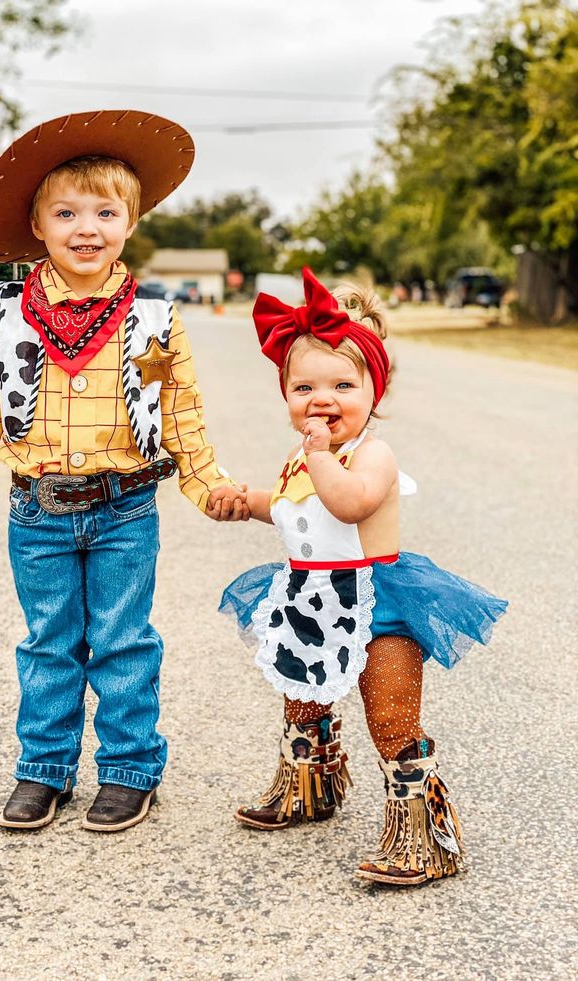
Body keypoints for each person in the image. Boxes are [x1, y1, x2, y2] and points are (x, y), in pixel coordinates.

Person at [0, 110, 247, 833]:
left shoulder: (154, 316)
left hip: (124, 508)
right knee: (49, 640)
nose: (86, 227)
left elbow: (180, 410)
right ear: (37, 225)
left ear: (130, 222)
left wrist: (208, 485)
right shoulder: (7, 310)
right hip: (36, 510)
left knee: (123, 639)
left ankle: (131, 769)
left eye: (106, 211)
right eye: (66, 212)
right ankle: (43, 769)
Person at [219, 267, 507, 885]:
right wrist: (249, 500)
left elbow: (347, 503)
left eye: (343, 385)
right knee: (304, 697)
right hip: (310, 600)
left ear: (376, 391)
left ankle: (422, 839)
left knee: (391, 718)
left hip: (379, 605)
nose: (321, 400)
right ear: (287, 396)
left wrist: (320, 456)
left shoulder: (371, 454)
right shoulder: (304, 457)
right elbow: (294, 503)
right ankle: (307, 785)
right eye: (304, 387)